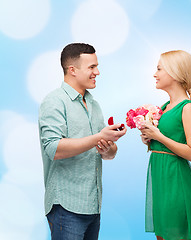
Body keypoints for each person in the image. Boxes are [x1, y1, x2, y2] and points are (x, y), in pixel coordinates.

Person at [38, 43, 127, 240]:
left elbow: (109, 154)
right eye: (92, 67)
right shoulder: (54, 101)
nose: (97, 72)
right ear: (72, 70)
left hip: (92, 205)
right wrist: (99, 137)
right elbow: (53, 149)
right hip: (66, 206)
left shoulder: (94, 104)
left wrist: (108, 146)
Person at [140, 50, 191, 240]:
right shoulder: (165, 107)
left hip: (176, 181)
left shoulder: (188, 108)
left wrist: (158, 135)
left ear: (175, 73)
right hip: (160, 180)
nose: (154, 74)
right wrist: (149, 140)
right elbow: (167, 144)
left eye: (159, 69)